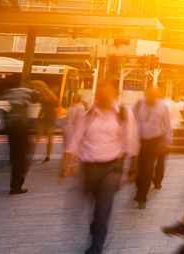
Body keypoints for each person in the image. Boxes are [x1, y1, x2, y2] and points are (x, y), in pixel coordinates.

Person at [63, 84, 139, 254]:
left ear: (114, 94)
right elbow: (76, 139)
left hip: (112, 167)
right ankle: (96, 230)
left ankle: (96, 247)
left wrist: (133, 169)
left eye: (107, 93)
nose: (103, 96)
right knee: (94, 206)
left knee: (102, 209)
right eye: (100, 93)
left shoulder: (124, 114)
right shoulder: (88, 114)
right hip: (89, 167)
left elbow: (131, 141)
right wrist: (67, 163)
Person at [132, 87, 174, 209]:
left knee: (148, 167)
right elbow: (131, 120)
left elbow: (167, 124)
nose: (151, 97)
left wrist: (168, 141)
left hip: (155, 140)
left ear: (157, 96)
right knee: (139, 167)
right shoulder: (139, 104)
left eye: (153, 95)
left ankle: (142, 197)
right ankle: (139, 189)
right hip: (139, 140)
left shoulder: (162, 107)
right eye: (149, 94)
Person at [0, 85, 38, 195]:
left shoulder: (11, 91)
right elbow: (36, 99)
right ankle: (16, 187)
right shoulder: (30, 92)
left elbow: (2, 97)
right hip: (21, 127)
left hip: (11, 127)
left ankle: (14, 182)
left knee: (15, 155)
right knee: (22, 159)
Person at [31, 81, 60, 163]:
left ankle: (46, 156)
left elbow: (46, 108)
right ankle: (47, 156)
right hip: (47, 119)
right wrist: (38, 118)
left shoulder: (50, 96)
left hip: (49, 119)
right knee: (46, 138)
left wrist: (38, 118)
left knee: (44, 138)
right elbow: (43, 108)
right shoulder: (46, 96)